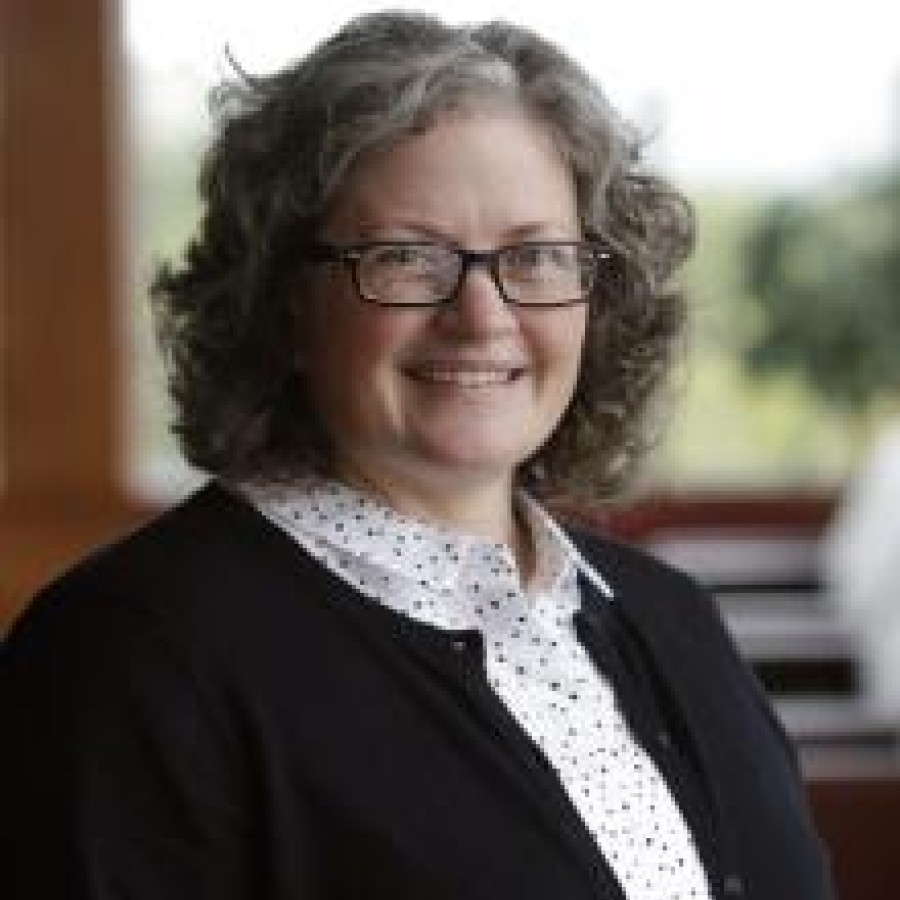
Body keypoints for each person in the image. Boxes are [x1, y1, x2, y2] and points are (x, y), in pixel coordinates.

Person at [3, 11, 833, 899]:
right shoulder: (128, 660)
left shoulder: (673, 617)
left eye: (537, 256)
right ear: (285, 301)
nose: (482, 316)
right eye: (408, 258)